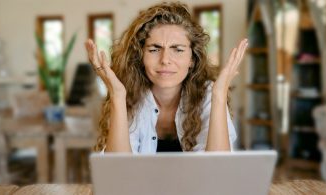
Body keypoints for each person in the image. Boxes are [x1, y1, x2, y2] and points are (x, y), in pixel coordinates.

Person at [86, 2, 247, 153]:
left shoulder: (207, 94)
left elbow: (217, 171)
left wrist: (219, 95)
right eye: (154, 49)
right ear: (140, 56)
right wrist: (118, 96)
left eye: (177, 49)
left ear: (192, 59)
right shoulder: (130, 95)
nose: (165, 60)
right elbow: (118, 171)